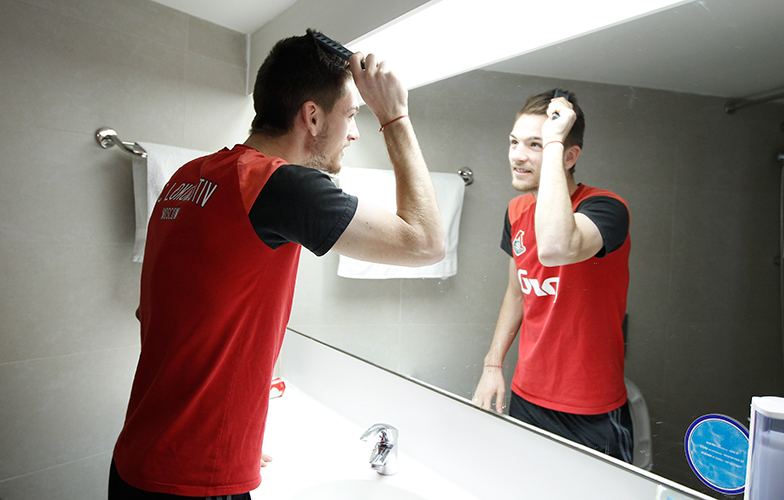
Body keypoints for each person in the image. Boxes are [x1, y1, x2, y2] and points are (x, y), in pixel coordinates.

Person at [109, 29, 445, 499]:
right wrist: (394, 117)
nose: (353, 132)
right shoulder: (276, 184)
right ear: (312, 116)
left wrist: (234, 427)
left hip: (139, 458)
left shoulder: (188, 178)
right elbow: (426, 242)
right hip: (195, 480)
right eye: (351, 115)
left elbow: (157, 313)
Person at [472, 89, 633, 463]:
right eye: (514, 142)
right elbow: (517, 292)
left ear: (569, 155)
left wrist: (556, 139)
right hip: (527, 395)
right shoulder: (516, 210)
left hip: (591, 408)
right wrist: (493, 364)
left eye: (536, 144)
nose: (517, 155)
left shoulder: (606, 207)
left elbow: (557, 246)